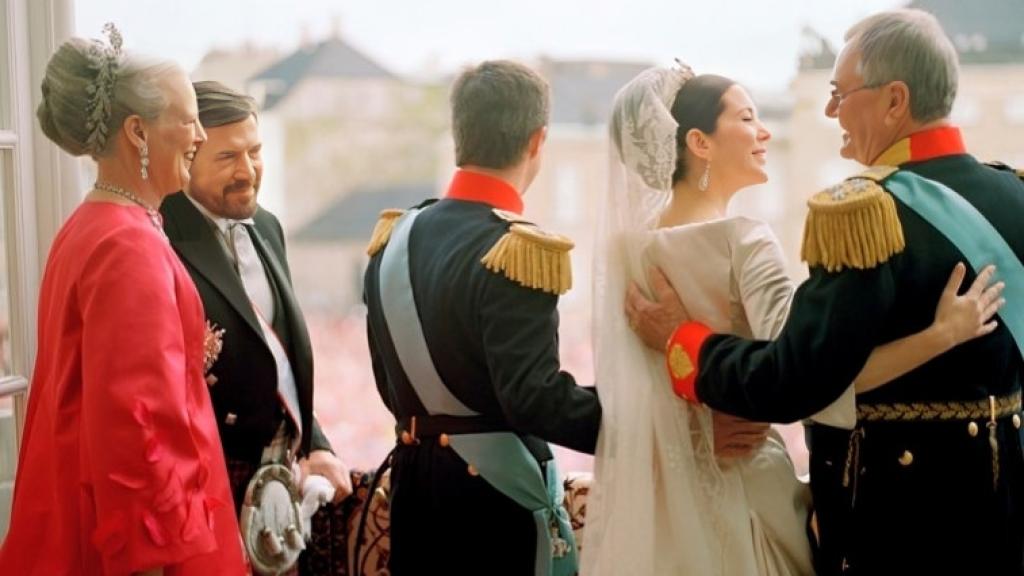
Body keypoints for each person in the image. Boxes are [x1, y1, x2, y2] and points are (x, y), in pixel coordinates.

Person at [625, 9, 1024, 575]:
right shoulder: (1015, 195)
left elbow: (795, 379)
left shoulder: (863, 213)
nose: (831, 110)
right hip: (1002, 516)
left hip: (897, 526)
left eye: (840, 94)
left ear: (894, 101)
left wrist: (682, 340)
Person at [0, 25, 247, 574]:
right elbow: (138, 432)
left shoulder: (92, 225)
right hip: (141, 551)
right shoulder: (128, 246)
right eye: (188, 118)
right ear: (138, 131)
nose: (201, 134)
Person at [363, 60, 601, 576]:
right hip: (493, 508)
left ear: (459, 135)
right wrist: (642, 421)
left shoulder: (391, 241)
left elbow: (389, 386)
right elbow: (534, 399)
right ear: (538, 141)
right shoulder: (516, 250)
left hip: (414, 497)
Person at [160, 81, 352, 574]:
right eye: (227, 158)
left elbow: (278, 355)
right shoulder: (159, 236)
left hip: (280, 480)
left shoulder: (266, 225)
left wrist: (317, 444)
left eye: (256, 152)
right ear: (187, 156)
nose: (248, 172)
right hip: (208, 486)